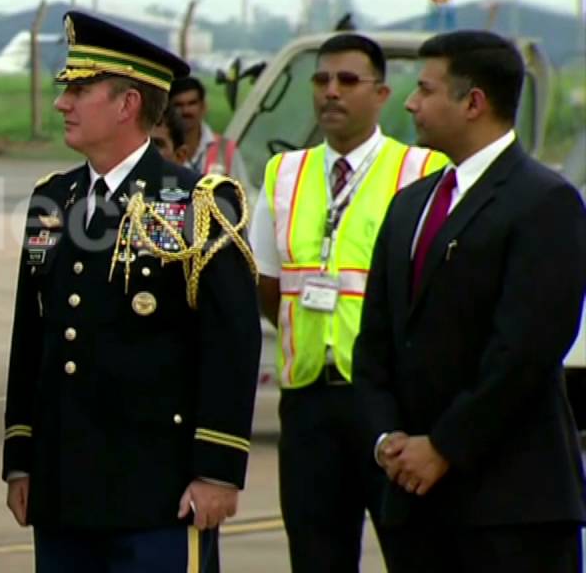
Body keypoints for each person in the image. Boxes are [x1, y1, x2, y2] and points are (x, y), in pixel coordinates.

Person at [2, 10, 261, 572]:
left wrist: (217, 470)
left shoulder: (197, 203)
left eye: (80, 89)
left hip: (156, 493)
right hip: (64, 489)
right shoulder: (54, 199)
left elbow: (231, 345)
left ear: (128, 104)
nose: (61, 103)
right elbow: (33, 337)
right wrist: (21, 457)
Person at [352, 30, 586, 572]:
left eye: (426, 89)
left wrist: (444, 447)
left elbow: (526, 351)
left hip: (509, 510)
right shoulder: (411, 205)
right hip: (415, 505)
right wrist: (387, 438)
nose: (410, 102)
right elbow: (377, 338)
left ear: (473, 102)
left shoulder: (543, 202)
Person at [247, 33, 447, 573]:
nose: (330, 92)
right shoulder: (284, 173)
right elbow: (267, 281)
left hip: (389, 402)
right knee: (316, 555)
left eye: (347, 81)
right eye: (321, 80)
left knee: (411, 549)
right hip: (310, 399)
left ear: (381, 94)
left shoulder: (421, 172)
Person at [169, 77, 247, 180]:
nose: (185, 111)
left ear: (203, 107)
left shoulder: (225, 149)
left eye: (192, 103)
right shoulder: (160, 148)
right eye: (178, 105)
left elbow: (243, 192)